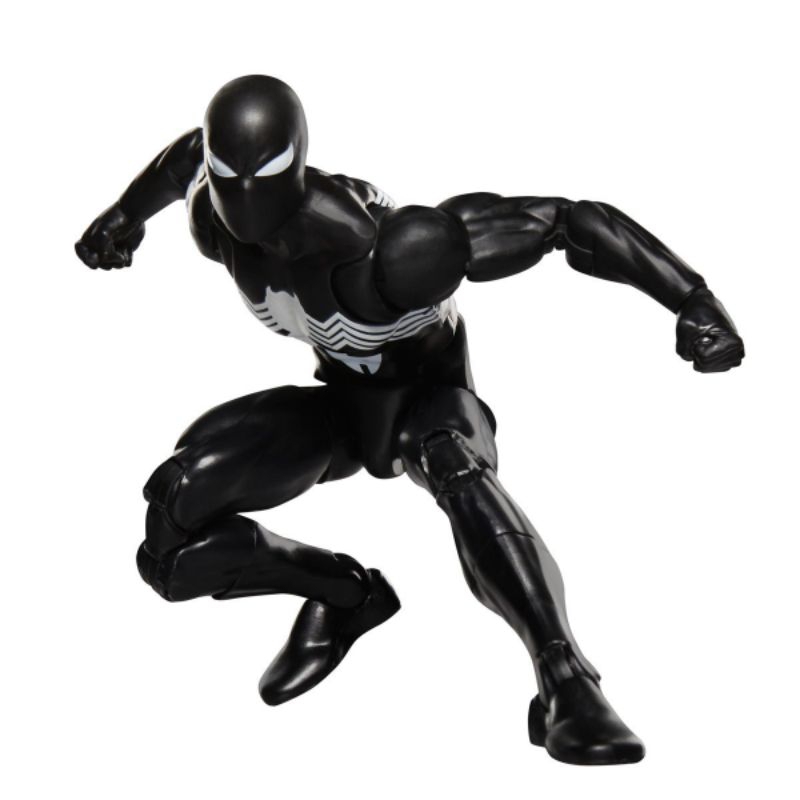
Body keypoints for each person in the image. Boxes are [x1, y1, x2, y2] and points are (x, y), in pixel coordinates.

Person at [75, 75, 744, 765]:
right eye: (228, 175)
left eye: (262, 174)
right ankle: (346, 597)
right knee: (174, 527)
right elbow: (189, 154)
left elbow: (565, 221)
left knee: (456, 468)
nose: (242, 195)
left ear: (295, 166)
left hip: (430, 402)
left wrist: (692, 300)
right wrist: (125, 216)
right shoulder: (213, 217)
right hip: (341, 406)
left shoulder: (386, 251)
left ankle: (566, 681)